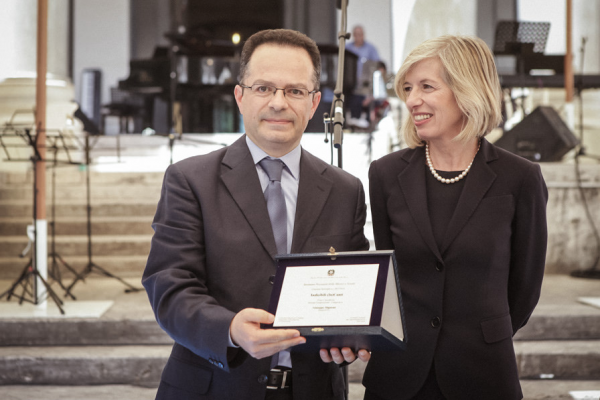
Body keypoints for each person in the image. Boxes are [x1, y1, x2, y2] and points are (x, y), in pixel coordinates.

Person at [142, 29, 370, 400]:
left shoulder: (346, 190)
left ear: (314, 103)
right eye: (263, 88)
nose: (278, 103)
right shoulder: (190, 180)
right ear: (240, 96)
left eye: (295, 91)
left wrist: (350, 335)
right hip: (215, 387)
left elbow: (354, 289)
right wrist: (230, 328)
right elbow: (169, 286)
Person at [364, 35, 548, 400]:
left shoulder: (520, 178)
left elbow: (525, 288)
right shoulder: (385, 174)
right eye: (408, 88)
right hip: (399, 376)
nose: (412, 100)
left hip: (483, 373)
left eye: (427, 86)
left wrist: (477, 336)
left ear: (467, 90)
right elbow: (389, 279)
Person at [346, 25, 381, 123]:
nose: (358, 37)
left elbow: (377, 67)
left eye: (360, 34)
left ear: (363, 35)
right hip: (351, 87)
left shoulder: (371, 49)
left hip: (366, 88)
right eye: (356, 34)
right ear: (353, 35)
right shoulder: (347, 48)